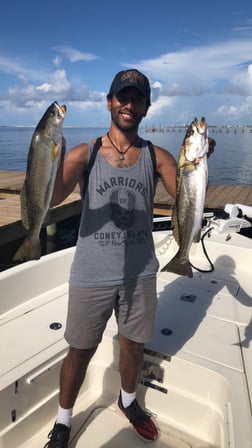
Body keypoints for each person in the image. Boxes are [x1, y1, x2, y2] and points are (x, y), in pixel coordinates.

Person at [44, 69, 215, 447]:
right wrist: (48, 158)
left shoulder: (159, 156)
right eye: (122, 96)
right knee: (80, 350)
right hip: (91, 272)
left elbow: (186, 194)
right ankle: (63, 421)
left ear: (146, 107)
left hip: (141, 273)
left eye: (137, 98)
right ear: (109, 102)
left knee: (133, 344)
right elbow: (52, 198)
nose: (128, 103)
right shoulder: (83, 153)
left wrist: (200, 163)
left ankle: (128, 401)